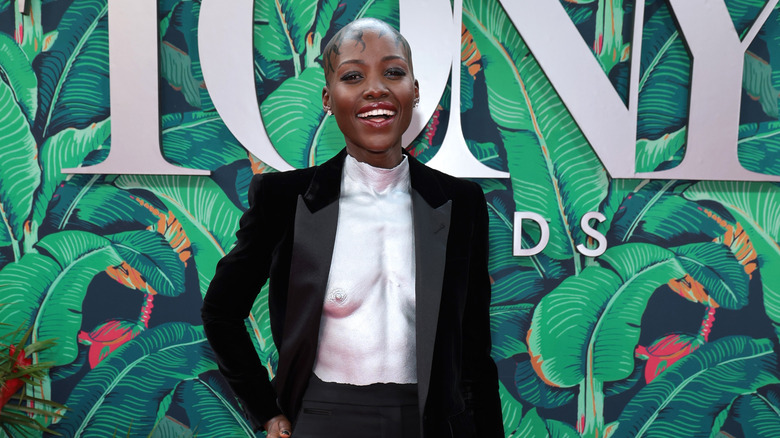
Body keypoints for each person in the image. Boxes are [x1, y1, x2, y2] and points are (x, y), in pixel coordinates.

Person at [201, 18, 504, 438]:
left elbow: (473, 351)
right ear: (329, 98)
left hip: (429, 423)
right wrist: (267, 412)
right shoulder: (284, 199)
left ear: (414, 91)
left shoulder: (460, 203)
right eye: (353, 76)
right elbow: (221, 312)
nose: (375, 88)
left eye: (393, 72)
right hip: (323, 418)